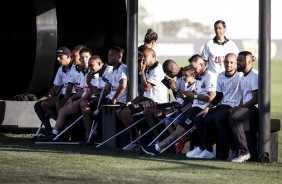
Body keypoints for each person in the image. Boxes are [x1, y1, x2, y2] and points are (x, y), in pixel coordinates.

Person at [141, 54, 217, 156]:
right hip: (194, 107)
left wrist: (192, 96)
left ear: (202, 65)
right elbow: (190, 97)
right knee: (176, 126)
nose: (193, 71)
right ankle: (203, 148)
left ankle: (157, 148)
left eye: (194, 68)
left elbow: (211, 97)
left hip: (200, 108)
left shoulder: (209, 76)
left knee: (179, 129)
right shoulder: (199, 77)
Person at [185, 53, 243, 159]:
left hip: (233, 106)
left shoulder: (240, 76)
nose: (228, 65)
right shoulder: (220, 76)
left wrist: (239, 107)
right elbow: (218, 96)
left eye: (231, 63)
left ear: (235, 64)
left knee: (217, 119)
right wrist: (208, 108)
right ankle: (208, 150)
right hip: (223, 105)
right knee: (200, 118)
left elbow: (244, 94)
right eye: (226, 62)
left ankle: (206, 148)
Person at [37, 47, 92, 142]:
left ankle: (87, 136)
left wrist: (76, 100)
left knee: (66, 105)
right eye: (82, 58)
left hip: (90, 99)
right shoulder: (79, 70)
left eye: (86, 57)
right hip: (79, 97)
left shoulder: (92, 70)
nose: (83, 60)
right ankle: (55, 132)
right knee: (45, 105)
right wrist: (71, 99)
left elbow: (92, 91)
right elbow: (81, 90)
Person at [117, 48, 167, 151]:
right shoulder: (148, 68)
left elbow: (146, 87)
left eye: (145, 56)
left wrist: (142, 71)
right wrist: (133, 101)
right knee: (119, 111)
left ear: (153, 56)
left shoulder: (158, 69)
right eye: (142, 56)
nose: (142, 59)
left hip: (156, 101)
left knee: (127, 111)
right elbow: (145, 93)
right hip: (147, 99)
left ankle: (136, 141)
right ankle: (136, 139)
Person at [142, 62, 196, 155]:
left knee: (171, 120)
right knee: (166, 120)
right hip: (180, 105)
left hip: (184, 108)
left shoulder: (193, 84)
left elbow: (190, 100)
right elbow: (180, 97)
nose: (184, 77)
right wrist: (175, 90)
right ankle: (176, 142)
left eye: (186, 76)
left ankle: (174, 142)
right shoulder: (183, 81)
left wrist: (175, 90)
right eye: (183, 75)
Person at [79, 46, 126, 146]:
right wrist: (97, 99)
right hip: (109, 98)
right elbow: (105, 90)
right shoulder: (114, 69)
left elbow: (123, 85)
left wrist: (114, 98)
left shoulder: (121, 68)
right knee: (88, 107)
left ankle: (94, 136)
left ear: (119, 56)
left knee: (93, 111)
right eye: (108, 55)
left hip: (118, 101)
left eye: (111, 55)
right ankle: (89, 136)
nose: (109, 57)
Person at [33, 46, 75, 135]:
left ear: (68, 56)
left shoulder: (75, 68)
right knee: (40, 105)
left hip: (72, 95)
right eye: (57, 56)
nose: (57, 59)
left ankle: (62, 128)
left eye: (60, 56)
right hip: (62, 95)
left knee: (58, 103)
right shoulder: (60, 69)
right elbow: (55, 86)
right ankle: (51, 129)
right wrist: (49, 95)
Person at [226, 51, 258, 162]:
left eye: (240, 60)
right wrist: (237, 107)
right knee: (227, 114)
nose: (237, 62)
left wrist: (240, 108)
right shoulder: (243, 76)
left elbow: (255, 99)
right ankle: (235, 150)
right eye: (237, 60)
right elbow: (243, 96)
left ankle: (245, 152)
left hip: (255, 108)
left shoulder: (254, 76)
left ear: (249, 61)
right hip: (247, 107)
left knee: (234, 117)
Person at [137, 29, 158, 95]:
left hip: (135, 81)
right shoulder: (148, 52)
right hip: (143, 82)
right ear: (153, 41)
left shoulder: (137, 49)